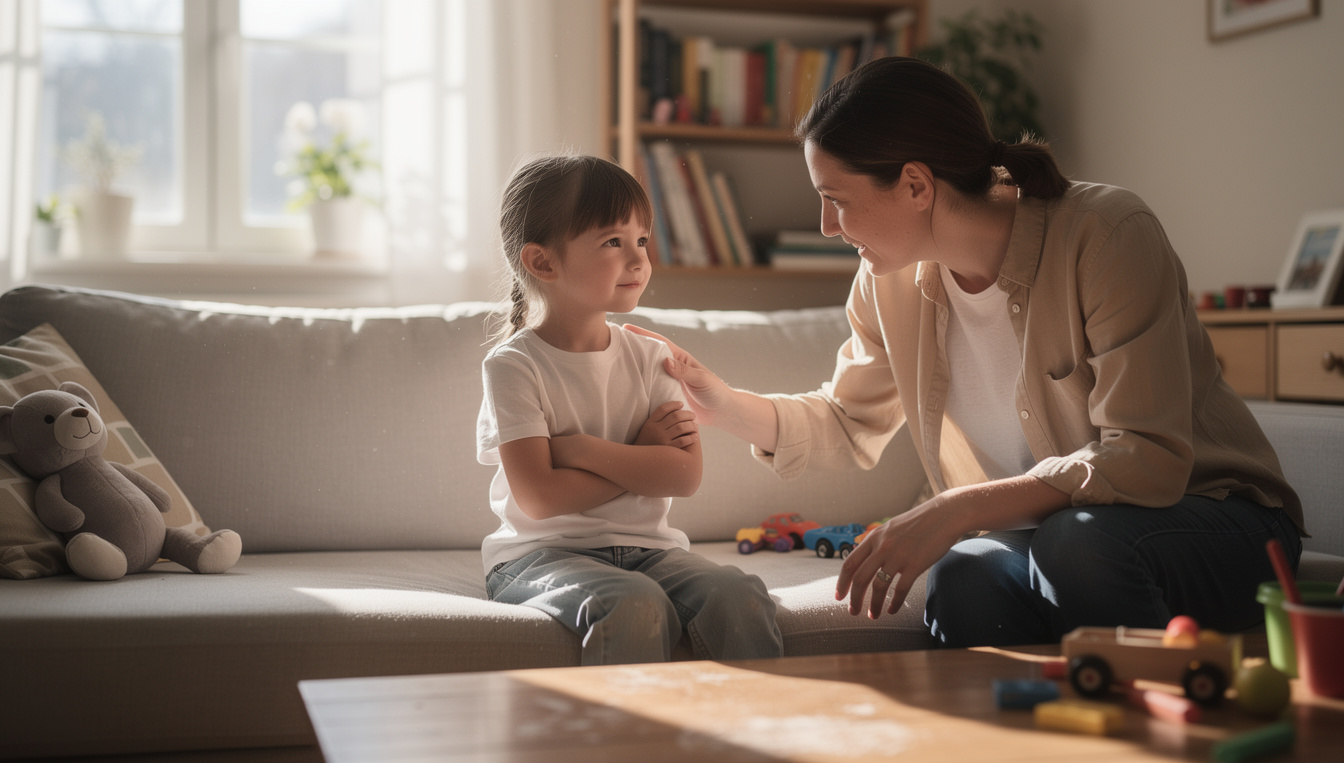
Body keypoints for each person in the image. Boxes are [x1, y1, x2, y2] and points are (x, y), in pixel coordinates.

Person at [630, 57, 1304, 648]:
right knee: (965, 580)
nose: (826, 227)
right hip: (1056, 537)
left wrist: (958, 508)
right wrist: (722, 404)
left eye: (836, 200)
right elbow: (847, 419)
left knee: (1078, 546)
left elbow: (1148, 459)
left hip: (1213, 521)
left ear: (918, 185)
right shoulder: (886, 281)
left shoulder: (1106, 235)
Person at [476, 154, 783, 664]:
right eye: (613, 242)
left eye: (641, 240)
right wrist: (640, 456)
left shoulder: (651, 355)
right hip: (537, 558)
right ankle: (628, 744)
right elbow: (540, 498)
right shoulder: (512, 366)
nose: (639, 259)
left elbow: (683, 476)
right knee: (634, 605)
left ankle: (750, 740)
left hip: (651, 550)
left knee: (740, 594)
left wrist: (582, 451)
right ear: (543, 261)